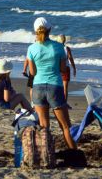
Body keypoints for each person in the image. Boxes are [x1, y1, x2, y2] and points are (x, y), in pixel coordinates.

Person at [27, 17, 76, 149]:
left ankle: (46, 155)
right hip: (55, 86)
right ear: (50, 30)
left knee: (44, 127)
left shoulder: (31, 48)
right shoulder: (59, 47)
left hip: (38, 87)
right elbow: (62, 69)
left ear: (35, 32)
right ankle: (74, 153)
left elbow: (32, 72)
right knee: (65, 126)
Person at [57, 34, 77, 102]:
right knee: (65, 88)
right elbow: (70, 58)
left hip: (58, 68)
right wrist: (74, 68)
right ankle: (64, 103)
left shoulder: (56, 48)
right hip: (65, 69)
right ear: (64, 40)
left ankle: (58, 101)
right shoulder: (66, 48)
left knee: (58, 86)